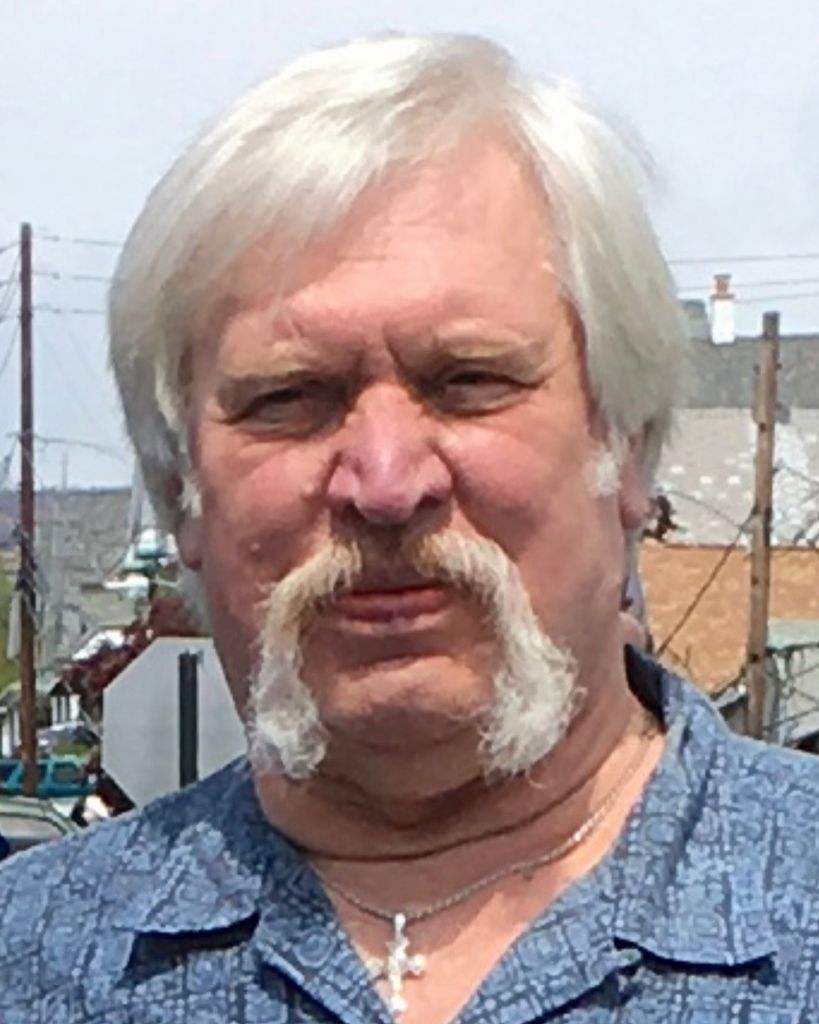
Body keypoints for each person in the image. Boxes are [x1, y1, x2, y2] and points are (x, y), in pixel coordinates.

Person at [1, 32, 817, 1023]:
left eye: (468, 381)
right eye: (290, 397)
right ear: (181, 496)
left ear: (626, 449)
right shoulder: (33, 959)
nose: (386, 484)